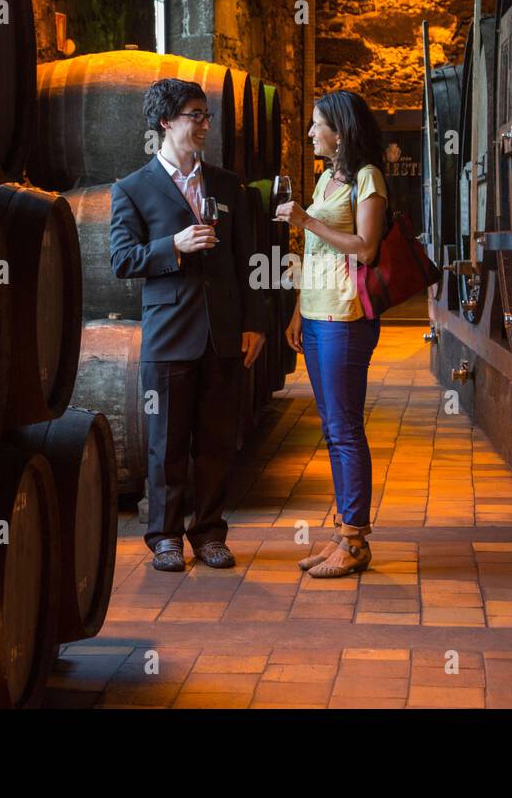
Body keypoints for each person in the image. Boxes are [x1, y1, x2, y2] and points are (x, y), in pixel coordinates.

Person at [110, 78, 267, 572]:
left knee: (219, 442)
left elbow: (252, 258)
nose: (204, 124)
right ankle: (164, 537)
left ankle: (209, 534)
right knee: (166, 444)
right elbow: (121, 259)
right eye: (194, 115)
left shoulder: (227, 184)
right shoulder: (132, 189)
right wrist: (172, 246)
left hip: (223, 335)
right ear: (165, 121)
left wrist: (256, 323)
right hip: (169, 337)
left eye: (205, 115)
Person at [275, 90, 388, 578]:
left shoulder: (368, 179)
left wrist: (304, 220)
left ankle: (355, 540)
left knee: (345, 429)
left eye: (317, 124)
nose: (310, 133)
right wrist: (299, 311)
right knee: (330, 428)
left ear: (339, 131)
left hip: (346, 318)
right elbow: (319, 255)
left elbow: (365, 248)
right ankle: (342, 526)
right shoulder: (327, 178)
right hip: (318, 316)